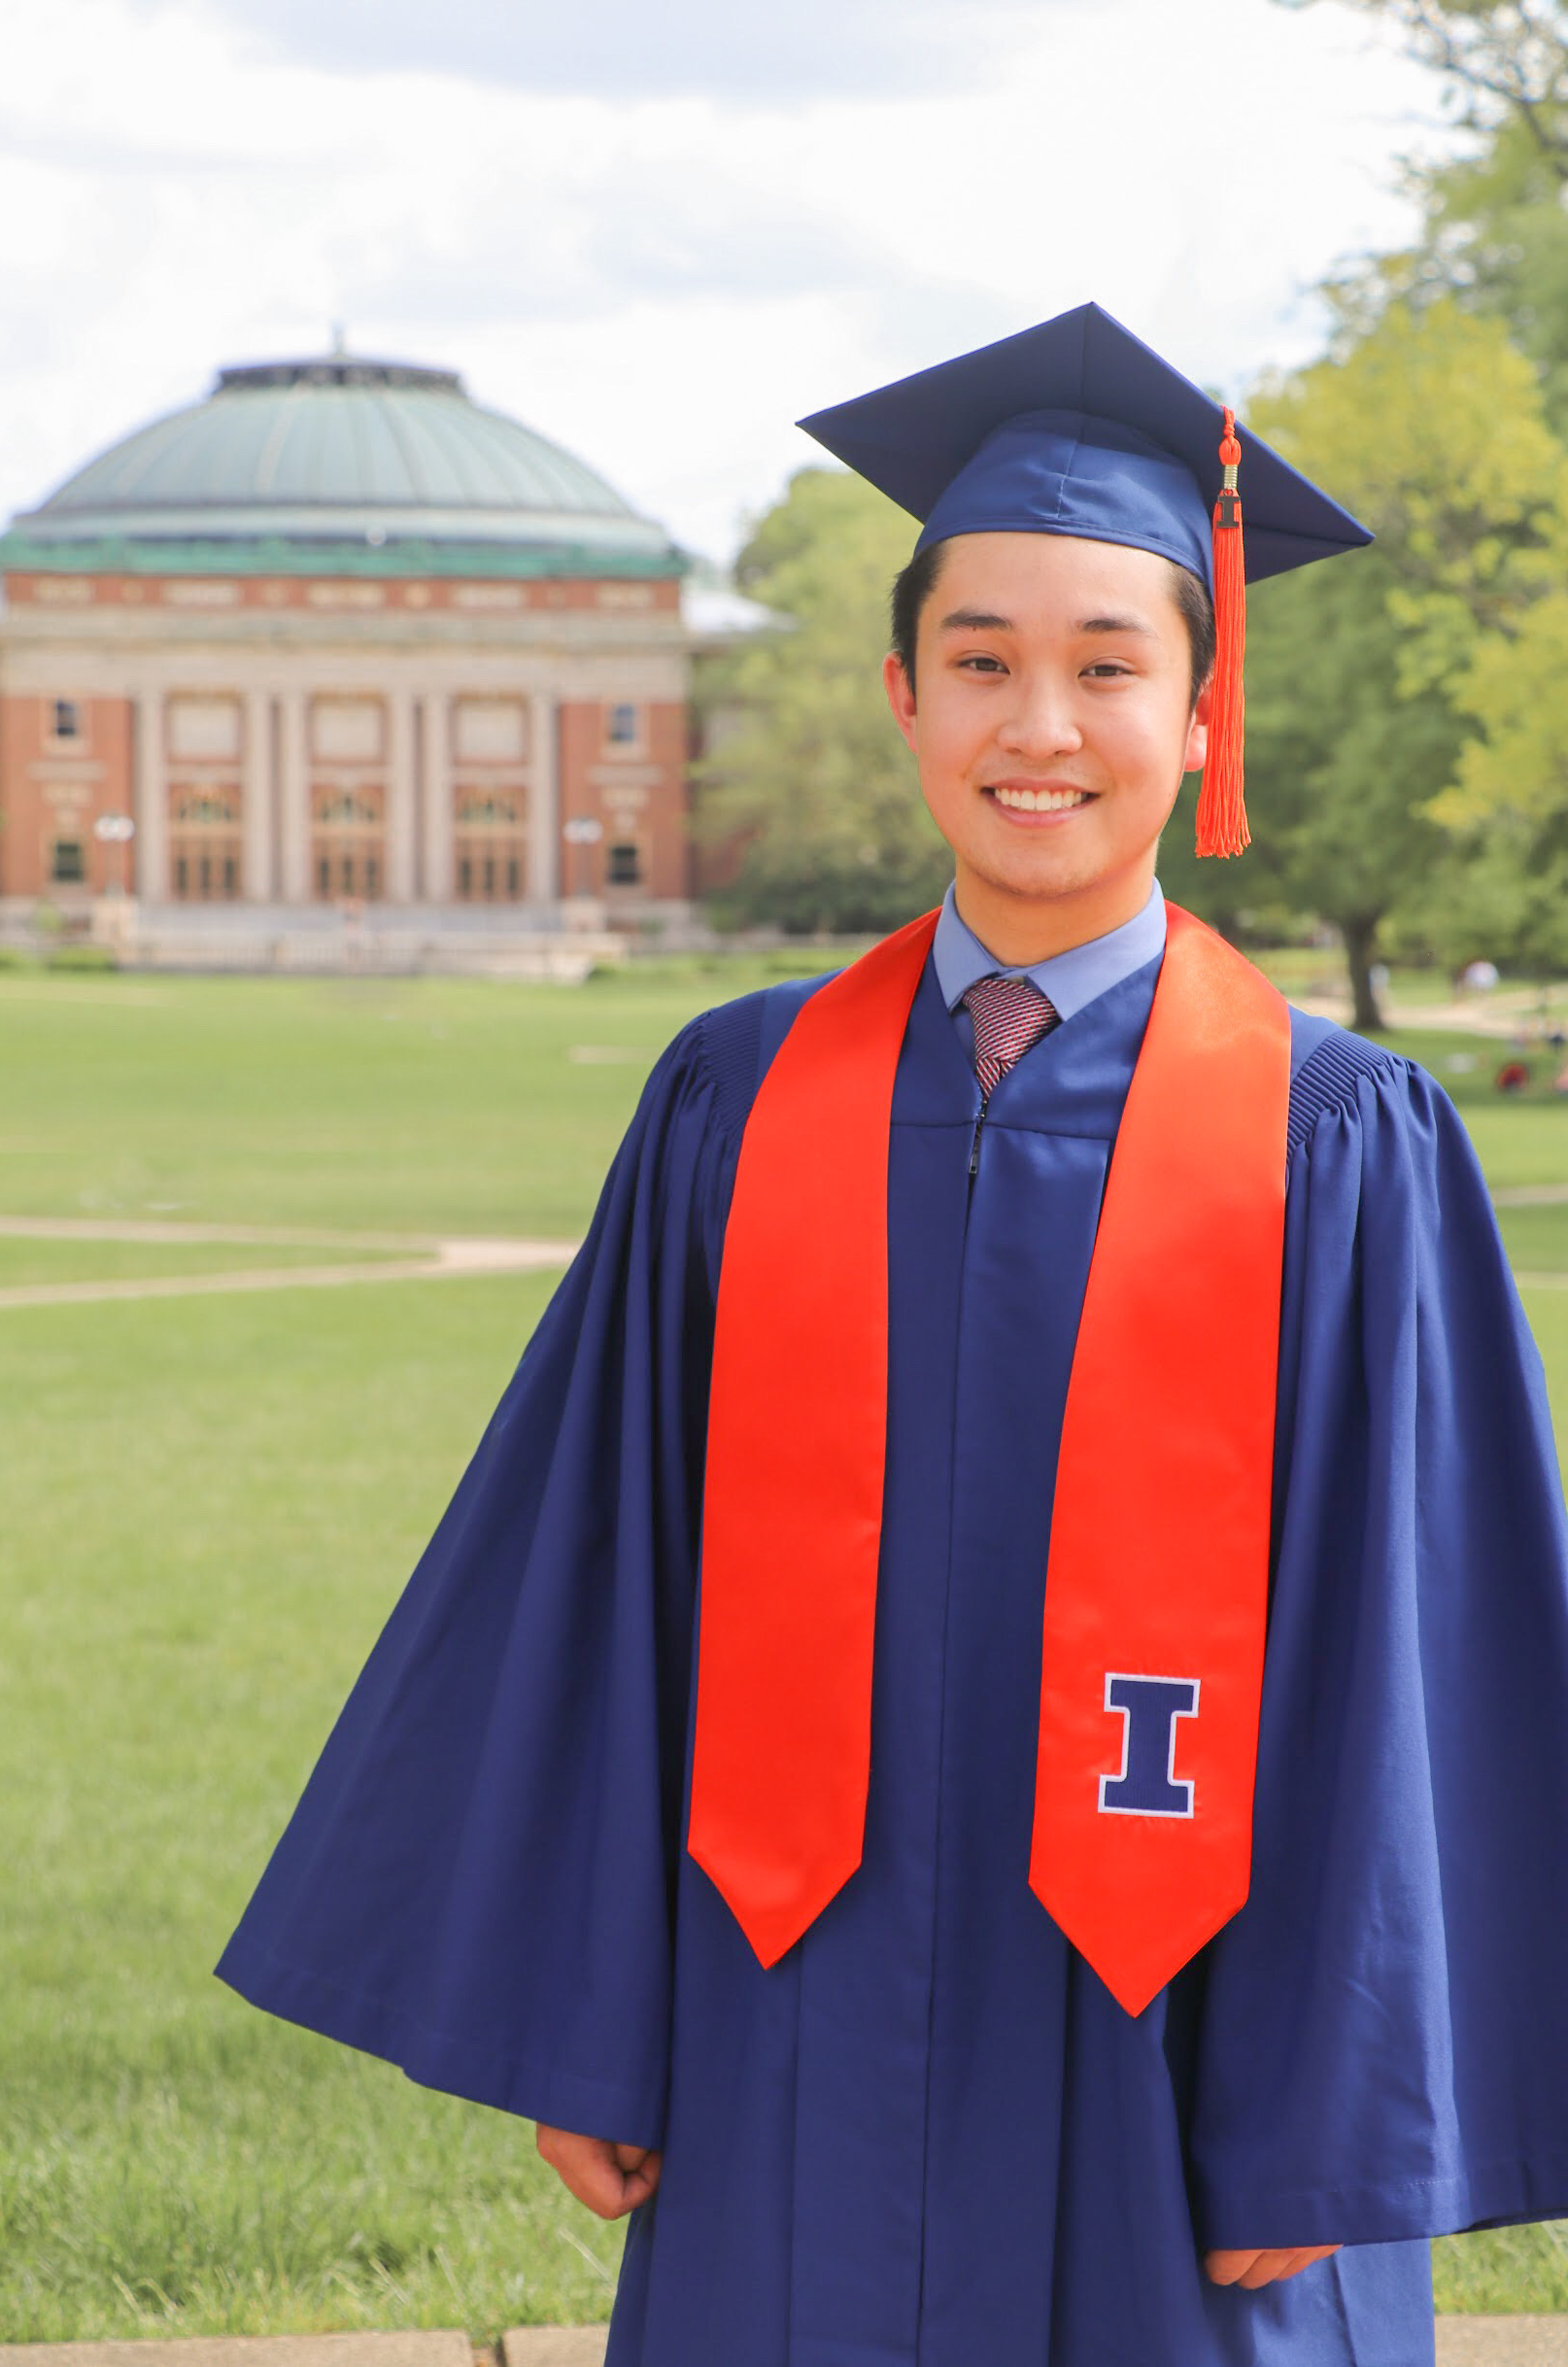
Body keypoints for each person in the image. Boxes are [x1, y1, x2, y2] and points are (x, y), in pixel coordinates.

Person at [217, 303, 1568, 2367]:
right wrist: (590, 2011)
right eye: (982, 661)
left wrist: (1322, 2106)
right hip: (787, 2024)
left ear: (1204, 714)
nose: (1042, 721)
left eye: (1109, 665)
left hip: (1188, 2045)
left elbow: (1407, 1645)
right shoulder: (732, 1108)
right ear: (900, 695)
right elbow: (601, 1568)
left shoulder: (1332, 1140)